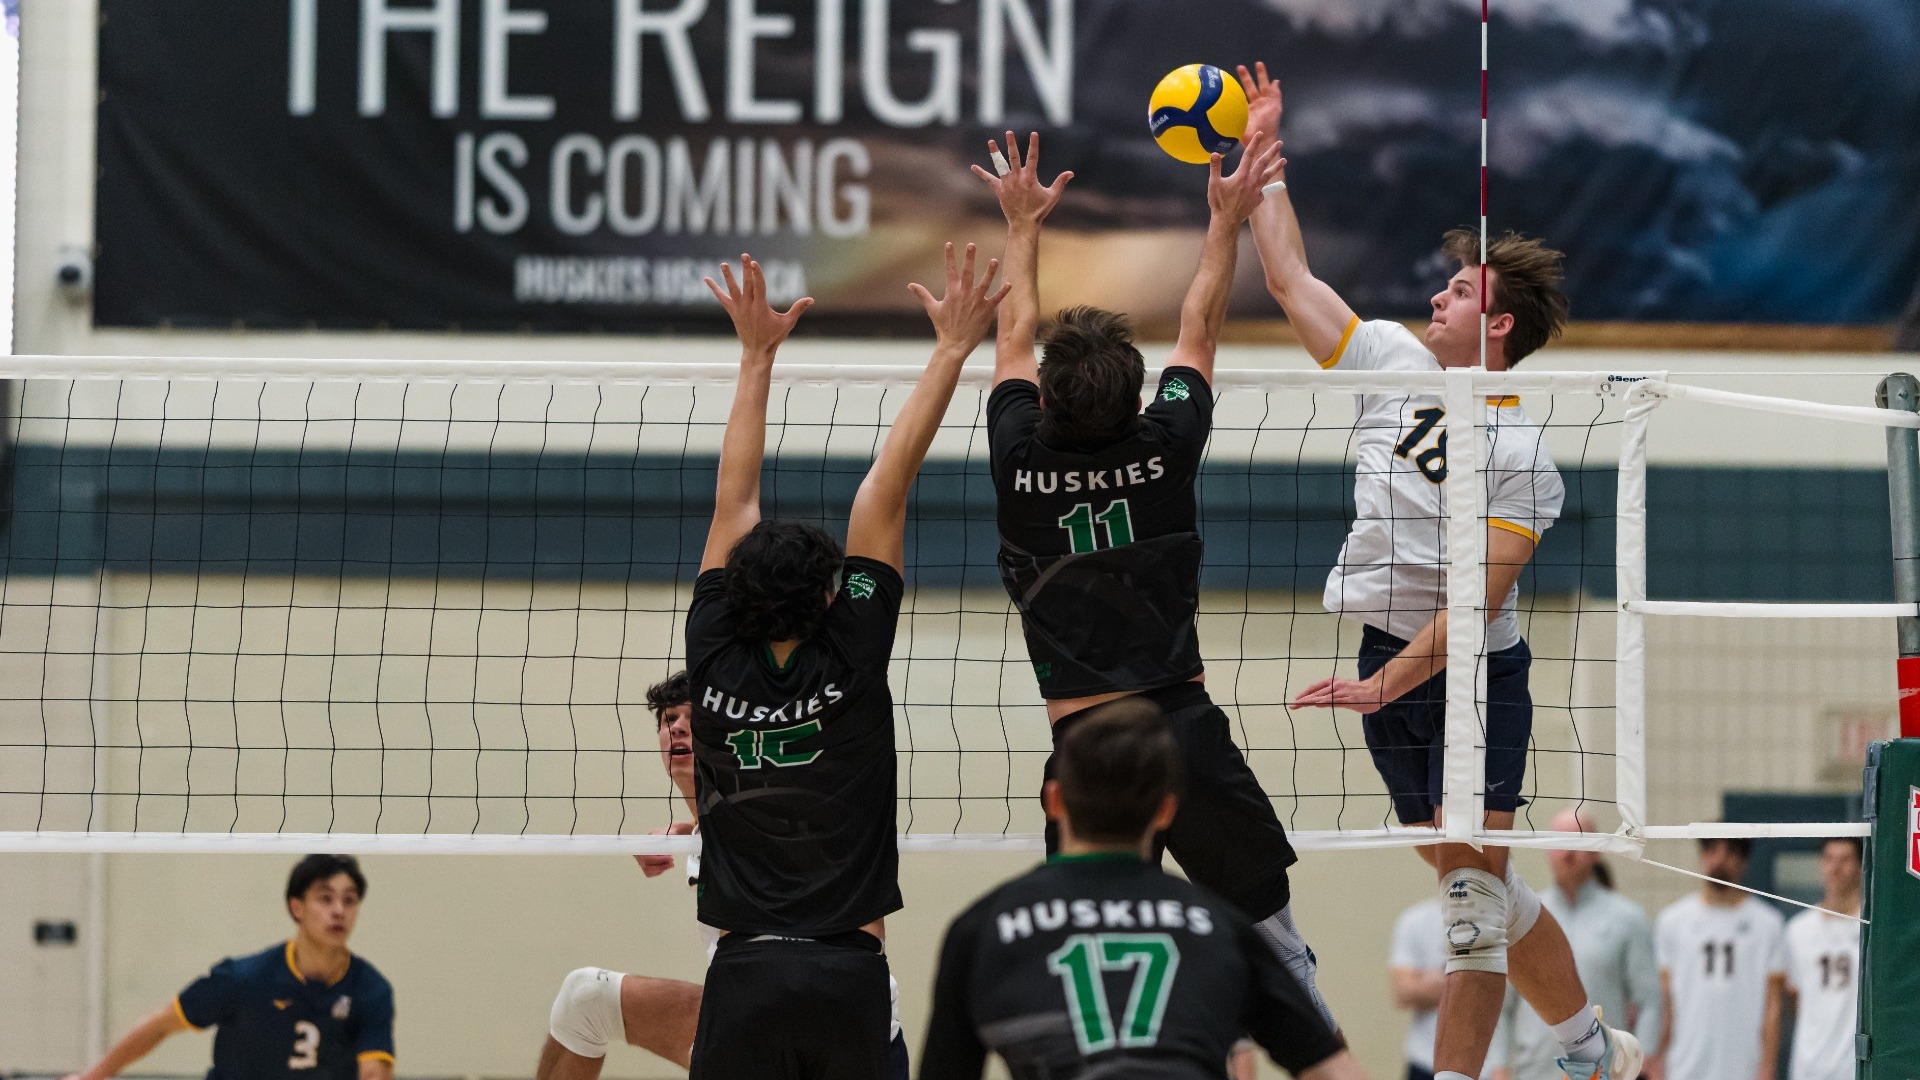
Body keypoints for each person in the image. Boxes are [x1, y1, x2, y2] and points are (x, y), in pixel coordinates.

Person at [1238, 60, 1638, 1080]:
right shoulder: (1389, 362)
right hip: (1385, 660)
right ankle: (1591, 1048)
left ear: (1497, 324)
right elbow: (1289, 279)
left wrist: (1386, 682)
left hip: (1468, 675)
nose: (1435, 295)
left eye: (1458, 290)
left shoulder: (1525, 460)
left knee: (1469, 902)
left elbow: (1477, 603)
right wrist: (1262, 165)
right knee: (1476, 883)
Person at [972, 125, 1331, 1021]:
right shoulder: (1165, 445)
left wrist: (1021, 222)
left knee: (1091, 971)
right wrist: (1224, 220)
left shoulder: (1018, 457)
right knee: (1276, 949)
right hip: (1185, 732)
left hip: (1087, 747)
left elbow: (1012, 333)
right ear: (1138, 399)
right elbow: (1199, 326)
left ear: (1046, 402)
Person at [681, 245, 1007, 1079]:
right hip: (848, 974)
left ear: (736, 592)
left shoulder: (713, 646)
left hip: (744, 972)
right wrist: (951, 350)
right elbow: (883, 491)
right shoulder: (854, 649)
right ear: (832, 597)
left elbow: (734, 501)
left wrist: (754, 356)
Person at [918, 697, 1366, 1080]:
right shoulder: (1221, 927)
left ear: (1054, 802)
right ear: (1167, 811)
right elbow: (1330, 1069)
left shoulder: (981, 930)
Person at [63, 854, 394, 1080]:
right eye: (326, 898)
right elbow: (161, 1025)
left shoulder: (370, 989)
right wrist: (93, 1076)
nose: (339, 911)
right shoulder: (243, 979)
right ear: (297, 908)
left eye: (349, 900)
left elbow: (374, 1070)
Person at [1492, 810, 1660, 1080]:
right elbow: (1501, 1004)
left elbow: (1649, 1000)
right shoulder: (1522, 918)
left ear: (1597, 851)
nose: (1568, 852)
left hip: (1603, 1071)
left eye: (1579, 841)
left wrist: (1644, 1061)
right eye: (1560, 842)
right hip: (1534, 1072)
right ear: (1546, 850)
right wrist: (1498, 1066)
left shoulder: (1628, 919)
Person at [1652, 838, 1786, 1080]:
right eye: (1712, 850)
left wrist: (1768, 1065)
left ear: (1744, 861)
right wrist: (1657, 1058)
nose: (1719, 860)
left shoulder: (1768, 924)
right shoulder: (1672, 921)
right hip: (1685, 1063)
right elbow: (1665, 1000)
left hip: (1744, 1064)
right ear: (1702, 856)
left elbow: (1773, 1005)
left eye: (1730, 852)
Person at [1392, 898, 1507, 1080]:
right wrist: (1472, 976)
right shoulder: (1415, 920)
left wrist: (1430, 979)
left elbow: (1502, 999)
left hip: (1486, 1069)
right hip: (1425, 1064)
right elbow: (1404, 992)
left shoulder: (1501, 922)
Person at [1782, 838, 1862, 1080]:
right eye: (1829, 859)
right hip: (1809, 1066)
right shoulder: (1798, 930)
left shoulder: (1873, 930)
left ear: (1860, 866)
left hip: (1854, 1066)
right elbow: (1796, 1000)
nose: (1835, 867)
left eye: (1845, 859)